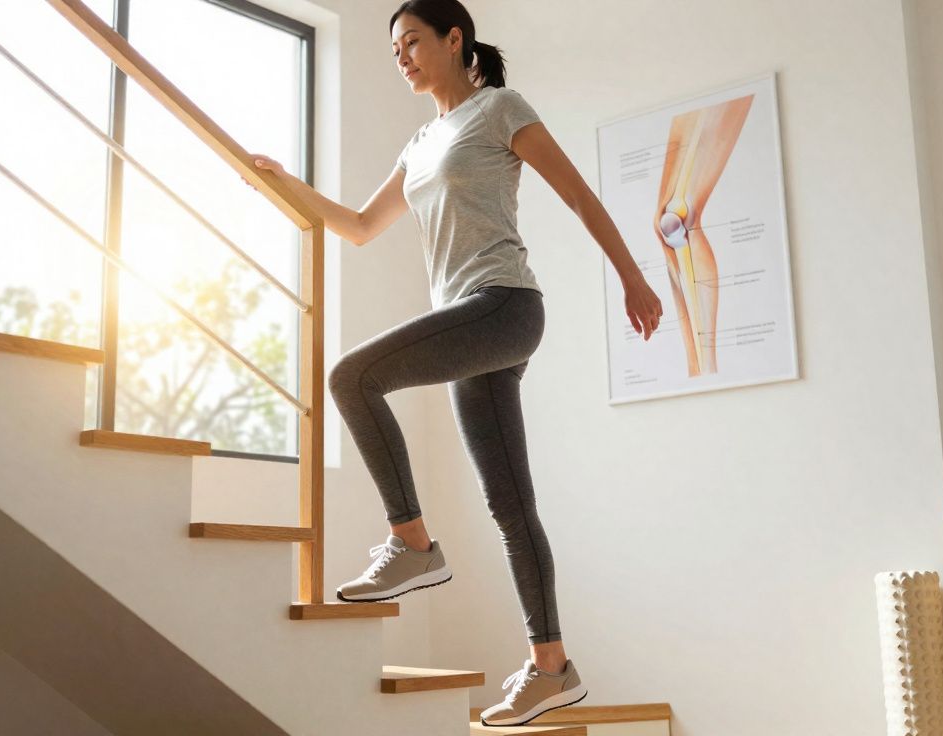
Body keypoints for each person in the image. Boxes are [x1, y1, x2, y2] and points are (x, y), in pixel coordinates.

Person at [242, 0, 662, 726]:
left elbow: (580, 197)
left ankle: (411, 542)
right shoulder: (419, 142)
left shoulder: (500, 109)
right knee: (511, 506)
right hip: (471, 326)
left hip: (503, 305)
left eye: (411, 42)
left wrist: (634, 276)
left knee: (352, 376)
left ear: (453, 40)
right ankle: (552, 666)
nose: (401, 56)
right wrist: (282, 184)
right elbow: (361, 227)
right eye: (393, 49)